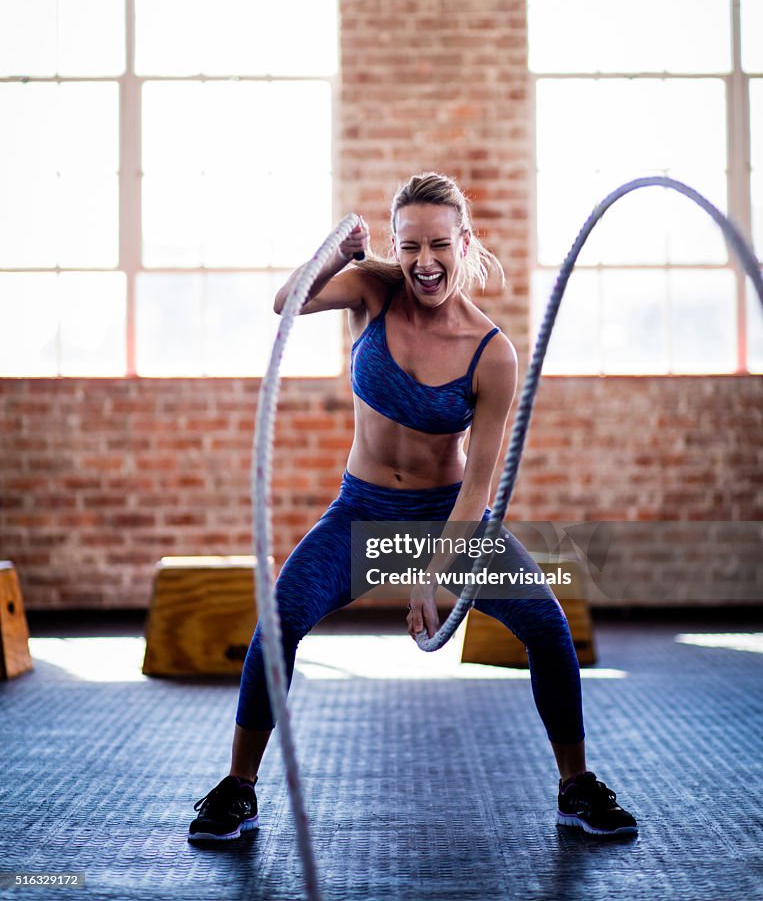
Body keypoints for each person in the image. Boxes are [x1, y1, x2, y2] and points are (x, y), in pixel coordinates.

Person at [188, 172, 637, 842]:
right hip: (359, 514)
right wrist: (337, 250)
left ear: (463, 241)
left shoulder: (492, 355)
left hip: (446, 517)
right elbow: (285, 300)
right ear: (393, 247)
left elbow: (480, 484)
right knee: (278, 621)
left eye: (437, 246)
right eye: (407, 247)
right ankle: (238, 786)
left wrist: (435, 570)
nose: (423, 264)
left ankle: (575, 783)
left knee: (545, 625)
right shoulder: (372, 290)